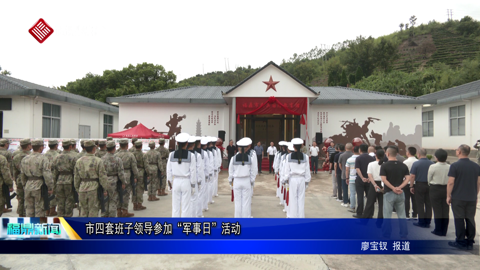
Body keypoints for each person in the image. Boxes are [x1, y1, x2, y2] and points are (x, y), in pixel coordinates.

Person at [447, 144, 480, 250]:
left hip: (458, 197)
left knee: (459, 218)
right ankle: (470, 241)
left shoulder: (455, 166)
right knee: (470, 218)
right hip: (471, 197)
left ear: (459, 152)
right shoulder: (476, 166)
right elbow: (478, 182)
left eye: (457, 150)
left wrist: (448, 195)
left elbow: (451, 182)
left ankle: (460, 241)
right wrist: (476, 195)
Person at [380, 147, 410, 238]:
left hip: (389, 192)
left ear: (387, 154)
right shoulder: (403, 165)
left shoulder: (384, 165)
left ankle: (386, 234)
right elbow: (408, 178)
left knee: (387, 215)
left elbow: (384, 179)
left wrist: (393, 188)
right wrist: (399, 187)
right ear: (396, 154)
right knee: (402, 214)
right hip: (401, 193)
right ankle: (404, 233)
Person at [74, 140, 108, 217]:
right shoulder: (98, 160)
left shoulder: (79, 161)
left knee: (83, 210)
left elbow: (76, 177)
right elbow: (102, 177)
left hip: (82, 187)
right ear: (94, 149)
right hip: (94, 188)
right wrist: (105, 189)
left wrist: (77, 189)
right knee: (93, 210)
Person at [20, 139, 54, 217]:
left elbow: (22, 175)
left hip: (28, 185)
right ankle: (39, 227)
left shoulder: (25, 158)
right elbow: (47, 174)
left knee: (29, 210)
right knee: (40, 210)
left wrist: (25, 185)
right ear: (41, 147)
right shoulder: (43, 158)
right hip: (39, 186)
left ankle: (30, 227)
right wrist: (50, 187)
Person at [167, 133, 197, 217]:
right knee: (186, 207)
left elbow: (168, 170)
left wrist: (169, 184)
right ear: (187, 143)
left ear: (177, 143)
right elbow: (193, 171)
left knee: (175, 207)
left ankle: (175, 226)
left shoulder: (171, 155)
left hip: (176, 181)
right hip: (186, 181)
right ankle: (184, 226)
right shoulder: (191, 155)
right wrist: (193, 185)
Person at [283, 138, 311, 218]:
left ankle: (293, 217)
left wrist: (285, 179)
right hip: (302, 179)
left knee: (293, 199)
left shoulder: (289, 156)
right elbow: (307, 170)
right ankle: (301, 217)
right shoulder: (305, 157)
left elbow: (287, 170)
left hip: (293, 179)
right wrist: (307, 181)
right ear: (302, 146)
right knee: (301, 199)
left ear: (293, 146)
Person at [229, 138, 256, 218]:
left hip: (237, 181)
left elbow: (231, 172)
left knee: (237, 202)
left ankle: (237, 219)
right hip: (246, 180)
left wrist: (231, 182)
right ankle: (246, 219)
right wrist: (251, 181)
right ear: (247, 148)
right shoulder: (250, 158)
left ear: (238, 148)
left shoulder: (233, 158)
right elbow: (252, 171)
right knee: (246, 202)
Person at [51, 139, 78, 217]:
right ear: (70, 146)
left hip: (59, 180)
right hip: (70, 181)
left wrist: (54, 184)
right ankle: (68, 218)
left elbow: (54, 172)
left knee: (60, 201)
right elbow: (75, 172)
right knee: (69, 201)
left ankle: (60, 217)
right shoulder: (74, 157)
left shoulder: (57, 157)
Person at [428, 149, 450, 236]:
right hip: (446, 188)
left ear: (436, 157)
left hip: (435, 188)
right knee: (445, 210)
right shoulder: (449, 166)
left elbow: (429, 179)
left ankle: (438, 230)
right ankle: (444, 230)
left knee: (437, 210)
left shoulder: (433, 166)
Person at [409, 148, 434, 228]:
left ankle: (421, 221)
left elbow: (412, 176)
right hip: (429, 185)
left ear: (418, 154)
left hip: (419, 185)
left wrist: (411, 186)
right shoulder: (432, 163)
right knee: (428, 204)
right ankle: (428, 221)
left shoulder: (416, 164)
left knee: (420, 204)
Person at [102, 141, 127, 217]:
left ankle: (103, 219)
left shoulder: (101, 159)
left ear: (106, 148)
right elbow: (121, 173)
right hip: (114, 182)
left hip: (104, 181)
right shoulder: (118, 159)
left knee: (104, 201)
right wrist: (123, 182)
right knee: (113, 201)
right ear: (114, 148)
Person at [115, 139, 139, 217]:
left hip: (117, 176)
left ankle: (118, 211)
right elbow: (134, 167)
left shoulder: (116, 155)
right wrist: (136, 176)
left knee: (118, 193)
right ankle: (125, 211)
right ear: (127, 145)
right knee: (126, 194)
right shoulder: (130, 155)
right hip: (127, 175)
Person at [362, 149, 385, 220]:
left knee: (370, 202)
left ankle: (365, 219)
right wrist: (383, 186)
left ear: (376, 156)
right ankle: (380, 221)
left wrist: (375, 185)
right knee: (382, 204)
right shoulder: (385, 164)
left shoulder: (371, 164)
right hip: (383, 183)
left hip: (373, 183)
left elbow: (369, 175)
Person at [354, 144, 375, 218]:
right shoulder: (372, 158)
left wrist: (362, 177)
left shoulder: (358, 158)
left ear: (360, 150)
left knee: (360, 196)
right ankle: (370, 213)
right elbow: (373, 169)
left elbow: (357, 169)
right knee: (370, 198)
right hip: (369, 180)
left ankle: (359, 213)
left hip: (360, 180)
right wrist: (369, 178)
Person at [12, 139, 31, 217]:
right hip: (30, 179)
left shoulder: (16, 156)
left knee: (20, 199)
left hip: (19, 179)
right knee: (29, 199)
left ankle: (20, 215)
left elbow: (14, 170)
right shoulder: (31, 155)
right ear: (29, 145)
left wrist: (16, 179)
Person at [188, 137, 204, 218]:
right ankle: (196, 215)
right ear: (193, 145)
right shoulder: (197, 155)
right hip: (195, 178)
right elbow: (199, 169)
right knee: (195, 198)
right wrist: (199, 180)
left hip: (185, 179)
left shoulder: (184, 154)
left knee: (186, 200)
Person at [44, 139, 60, 216]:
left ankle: (47, 210)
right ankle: (52, 210)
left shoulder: (44, 155)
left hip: (45, 176)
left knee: (46, 193)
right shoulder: (58, 155)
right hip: (54, 176)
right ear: (56, 145)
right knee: (53, 193)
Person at [403, 147, 418, 219]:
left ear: (408, 153)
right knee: (415, 199)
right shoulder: (418, 161)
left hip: (406, 182)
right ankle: (415, 214)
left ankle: (406, 214)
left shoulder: (405, 162)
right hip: (416, 182)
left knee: (406, 199)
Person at [132, 141, 147, 211]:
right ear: (141, 146)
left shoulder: (131, 154)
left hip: (133, 172)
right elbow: (146, 165)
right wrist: (148, 173)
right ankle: (139, 204)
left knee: (134, 189)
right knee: (140, 188)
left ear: (135, 146)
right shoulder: (143, 155)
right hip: (141, 172)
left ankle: (134, 204)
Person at [194, 137, 207, 217]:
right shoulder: (202, 154)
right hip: (199, 174)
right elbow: (204, 165)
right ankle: (198, 213)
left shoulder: (188, 153)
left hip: (188, 176)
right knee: (199, 194)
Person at [346, 146, 360, 215]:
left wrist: (347, 178)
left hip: (351, 178)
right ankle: (360, 208)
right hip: (360, 178)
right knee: (360, 194)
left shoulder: (349, 159)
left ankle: (352, 207)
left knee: (352, 193)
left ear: (353, 151)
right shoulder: (361, 159)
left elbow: (347, 169)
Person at [338, 143, 353, 208]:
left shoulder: (342, 155)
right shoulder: (353, 155)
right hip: (352, 174)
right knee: (353, 189)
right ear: (352, 148)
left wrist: (343, 169)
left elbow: (340, 164)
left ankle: (345, 202)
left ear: (345, 148)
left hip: (344, 174)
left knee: (345, 189)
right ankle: (351, 201)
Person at [0, 139, 13, 213]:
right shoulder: (7, 153)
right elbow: (9, 166)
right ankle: (4, 207)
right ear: (6, 144)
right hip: (3, 177)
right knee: (4, 193)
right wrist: (10, 183)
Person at [201, 137, 213, 212]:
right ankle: (204, 206)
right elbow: (208, 164)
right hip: (203, 173)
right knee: (203, 190)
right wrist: (208, 174)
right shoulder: (207, 153)